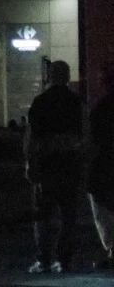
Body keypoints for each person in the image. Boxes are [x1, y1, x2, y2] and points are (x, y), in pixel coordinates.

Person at [25, 59, 84, 275]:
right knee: (69, 215)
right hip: (69, 165)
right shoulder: (75, 102)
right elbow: (82, 136)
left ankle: (44, 260)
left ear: (49, 76)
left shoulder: (40, 102)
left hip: (47, 165)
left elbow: (32, 137)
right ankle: (64, 259)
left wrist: (30, 164)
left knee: (43, 215)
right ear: (67, 77)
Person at [85, 63, 114, 269]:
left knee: (104, 211)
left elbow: (91, 140)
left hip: (105, 166)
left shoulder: (100, 108)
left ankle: (112, 250)